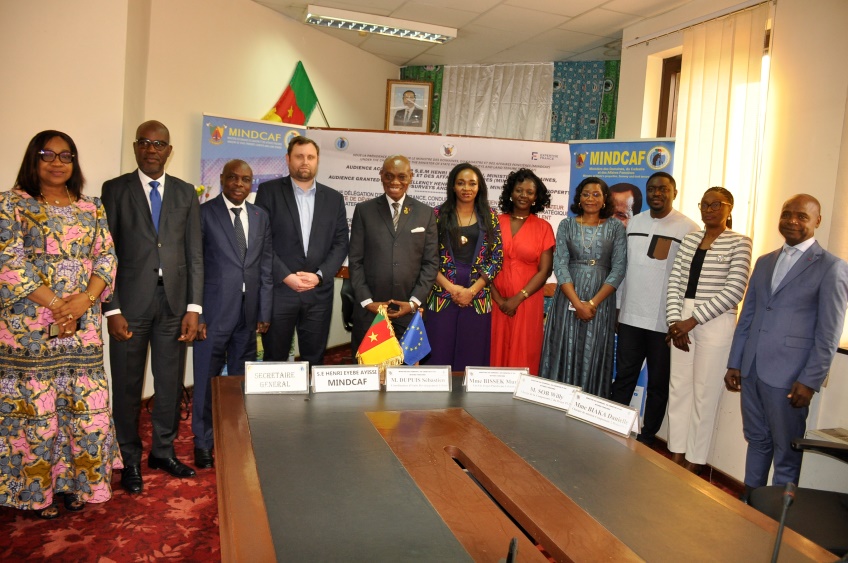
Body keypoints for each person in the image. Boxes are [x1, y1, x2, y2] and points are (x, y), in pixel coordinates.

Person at [0, 130, 122, 519]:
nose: (57, 162)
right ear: (33, 160)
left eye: (65, 155)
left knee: (83, 409)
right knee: (37, 413)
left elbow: (107, 258)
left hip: (81, 328)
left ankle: (76, 484)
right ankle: (36, 492)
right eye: (47, 154)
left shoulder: (92, 207)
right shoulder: (10, 204)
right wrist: (56, 304)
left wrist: (84, 300)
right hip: (30, 329)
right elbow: (8, 262)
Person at [101, 120, 203, 494]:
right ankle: (128, 458)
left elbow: (194, 253)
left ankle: (163, 451)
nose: (151, 149)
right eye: (144, 142)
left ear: (168, 151)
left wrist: (194, 307)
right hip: (130, 306)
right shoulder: (115, 190)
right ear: (135, 147)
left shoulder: (185, 192)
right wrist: (112, 309)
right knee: (127, 386)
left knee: (170, 384)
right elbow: (105, 253)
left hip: (174, 304)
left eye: (159, 144)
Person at [725, 194, 848, 498]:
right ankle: (750, 501)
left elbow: (829, 333)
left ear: (817, 221)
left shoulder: (832, 267)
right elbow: (748, 315)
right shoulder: (765, 261)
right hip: (752, 369)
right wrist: (735, 362)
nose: (792, 221)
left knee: (786, 449)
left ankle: (778, 514)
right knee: (756, 439)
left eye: (802, 216)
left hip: (790, 377)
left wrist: (810, 380)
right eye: (786, 214)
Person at [191, 160, 273, 469]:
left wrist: (264, 309)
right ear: (222, 179)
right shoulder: (204, 213)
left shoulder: (260, 216)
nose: (239, 184)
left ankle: (236, 435)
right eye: (233, 178)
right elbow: (196, 266)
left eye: (246, 179)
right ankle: (203, 441)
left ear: (252, 183)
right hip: (213, 313)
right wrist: (197, 313)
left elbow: (265, 266)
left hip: (248, 314)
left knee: (240, 380)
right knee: (206, 379)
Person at [665, 187, 752, 474]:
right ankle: (676, 451)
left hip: (714, 322)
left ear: (730, 208)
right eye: (705, 204)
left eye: (717, 204)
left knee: (704, 392)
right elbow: (675, 281)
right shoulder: (690, 239)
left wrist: (692, 321)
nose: (709, 209)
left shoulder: (740, 242)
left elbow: (735, 290)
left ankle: (695, 459)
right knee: (679, 388)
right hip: (681, 320)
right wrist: (674, 322)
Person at [610, 172, 698, 445]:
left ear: (674, 193)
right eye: (652, 189)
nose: (657, 194)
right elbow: (624, 268)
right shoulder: (634, 222)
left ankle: (647, 438)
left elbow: (688, 280)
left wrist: (680, 320)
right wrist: (618, 307)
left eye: (663, 189)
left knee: (659, 384)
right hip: (630, 316)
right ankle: (612, 428)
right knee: (624, 377)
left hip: (664, 322)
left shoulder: (689, 228)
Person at [255, 136, 348, 364]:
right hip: (280, 290)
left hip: (318, 293)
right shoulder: (268, 191)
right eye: (299, 156)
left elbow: (341, 243)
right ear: (288, 159)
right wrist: (286, 276)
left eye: (310, 157)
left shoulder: (334, 199)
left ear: (317, 160)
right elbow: (261, 240)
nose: (305, 162)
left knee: (314, 359)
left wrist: (319, 276)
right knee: (274, 360)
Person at [538, 177, 626, 396]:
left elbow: (619, 268)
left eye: (596, 194)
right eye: (586, 194)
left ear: (605, 199)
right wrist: (577, 303)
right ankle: (557, 402)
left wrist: (592, 303)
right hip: (568, 296)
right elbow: (560, 265)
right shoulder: (566, 225)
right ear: (579, 198)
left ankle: (587, 404)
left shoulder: (615, 227)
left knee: (593, 350)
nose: (590, 199)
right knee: (564, 346)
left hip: (601, 299)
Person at [348, 155, 438, 351]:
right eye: (389, 176)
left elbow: (431, 263)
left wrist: (413, 303)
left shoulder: (425, 213)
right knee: (371, 368)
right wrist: (368, 302)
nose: (395, 182)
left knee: (407, 369)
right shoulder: (364, 211)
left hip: (409, 311)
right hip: (371, 311)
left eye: (401, 176)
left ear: (411, 177)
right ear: (381, 175)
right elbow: (355, 261)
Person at [425, 163, 503, 371]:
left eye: (472, 183)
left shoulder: (490, 216)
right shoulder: (437, 215)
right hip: (442, 294)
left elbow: (497, 258)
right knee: (438, 354)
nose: (466, 188)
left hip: (477, 297)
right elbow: (427, 257)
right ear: (453, 186)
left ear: (479, 187)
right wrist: (452, 289)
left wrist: (472, 291)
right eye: (461, 183)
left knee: (472, 354)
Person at [490, 168, 554, 375]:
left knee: (524, 355)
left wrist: (518, 298)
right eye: (519, 190)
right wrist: (499, 299)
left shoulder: (543, 228)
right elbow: (482, 263)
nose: (523, 195)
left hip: (527, 302)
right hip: (495, 301)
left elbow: (545, 271)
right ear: (511, 192)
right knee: (493, 352)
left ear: (536, 197)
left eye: (529, 192)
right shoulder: (494, 222)